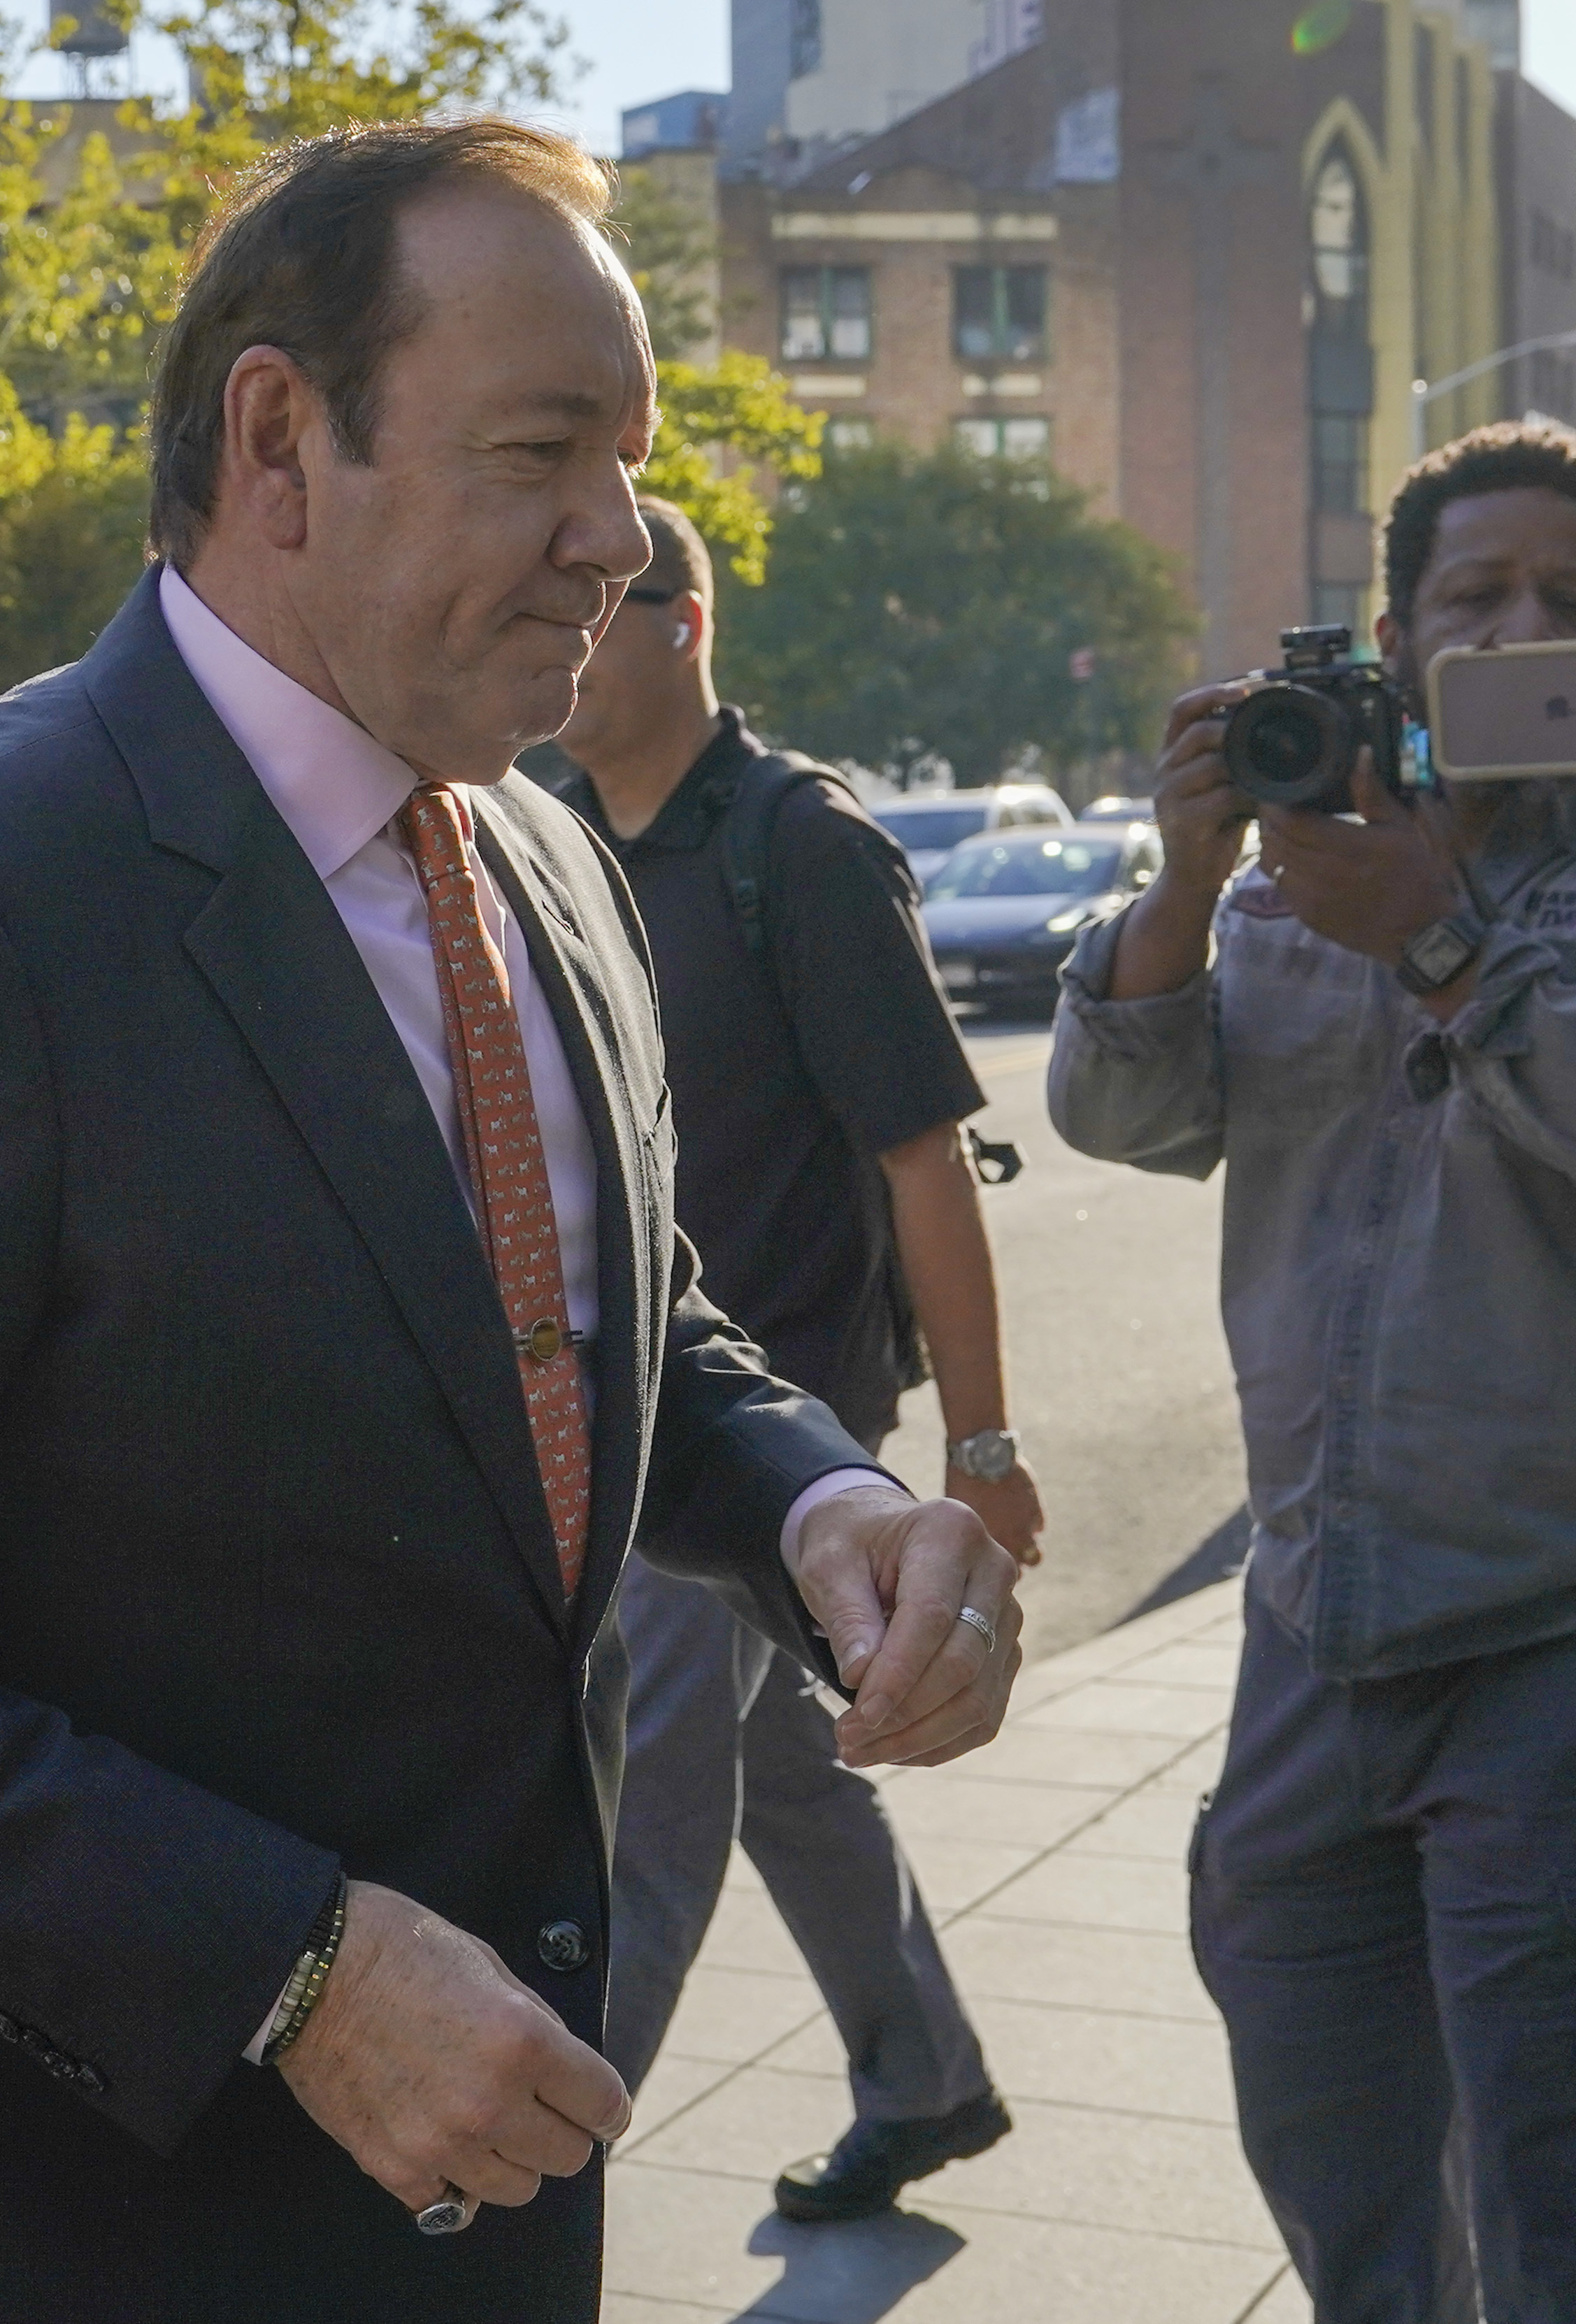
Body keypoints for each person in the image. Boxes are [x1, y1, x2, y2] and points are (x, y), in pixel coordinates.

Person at [0, 120, 1024, 2323]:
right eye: (543, 452)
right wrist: (288, 1967)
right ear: (277, 439)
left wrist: (815, 1504)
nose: (615, 541)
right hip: (59, 2226)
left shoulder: (545, 859)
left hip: (475, 2194)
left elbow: (604, 1313)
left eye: (628, 465)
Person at [1050, 418, 1576, 2322]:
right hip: (1316, 1631)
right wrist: (1182, 876)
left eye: (1571, 601)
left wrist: (1445, 944)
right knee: (1347, 2184)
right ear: (1389, 633)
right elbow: (1124, 1113)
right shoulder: (1293, 870)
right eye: (1475, 597)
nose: (1518, 627)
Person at [548, 495, 1035, 2218]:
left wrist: (976, 1453)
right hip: (608, 1416)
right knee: (785, 1778)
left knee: (648, 1825)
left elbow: (924, 1159)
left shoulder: (800, 844)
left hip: (773, 1437)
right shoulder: (539, 832)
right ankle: (928, 2080)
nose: (560, 632)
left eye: (597, 600)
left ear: (682, 623)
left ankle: (512, 2193)